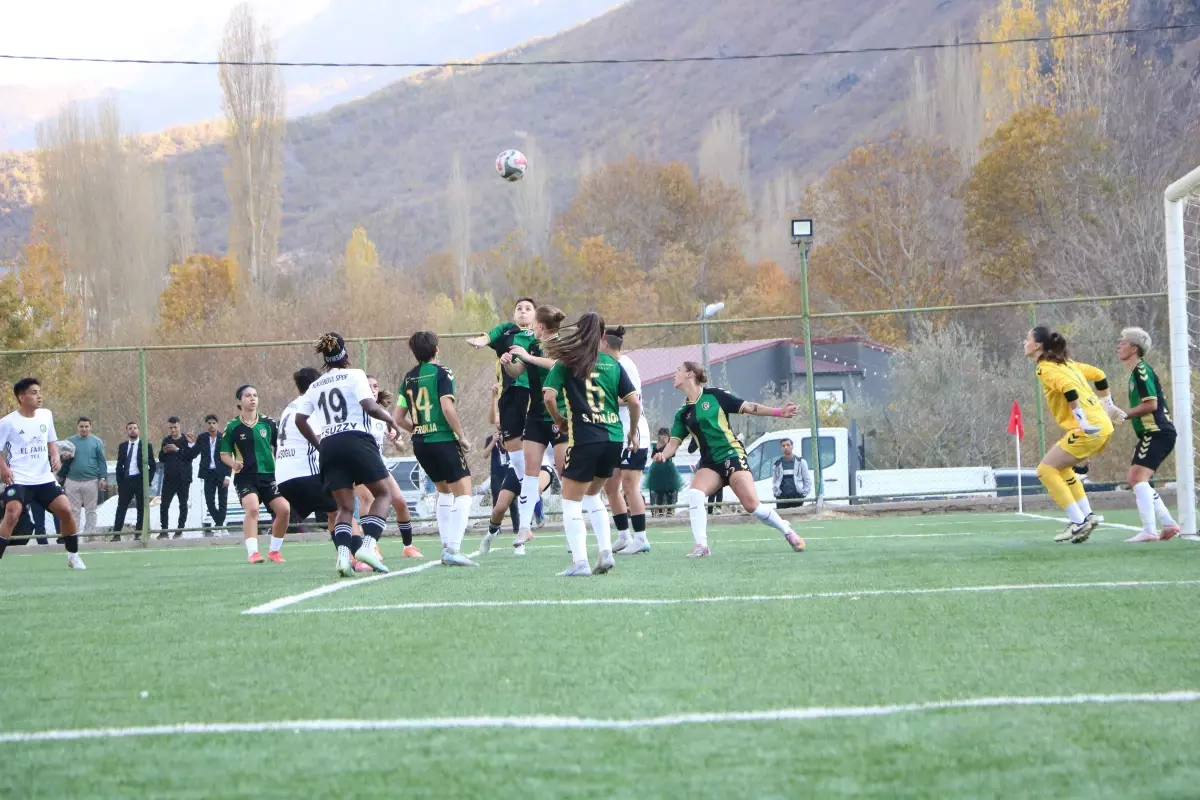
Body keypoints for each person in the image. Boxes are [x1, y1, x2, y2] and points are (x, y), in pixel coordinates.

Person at [653, 362, 806, 557]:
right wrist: (663, 454)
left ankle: (787, 531)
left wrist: (779, 412)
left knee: (752, 506)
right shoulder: (683, 414)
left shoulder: (715, 395)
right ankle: (702, 546)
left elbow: (749, 407)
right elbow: (673, 443)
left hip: (731, 454)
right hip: (710, 463)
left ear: (690, 374)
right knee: (695, 494)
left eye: (678, 371)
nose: (674, 374)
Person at [543, 311, 642, 577]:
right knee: (593, 495)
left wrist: (560, 420)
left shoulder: (565, 362)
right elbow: (634, 401)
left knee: (570, 501)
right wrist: (633, 432)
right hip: (613, 439)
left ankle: (580, 563)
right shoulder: (612, 364)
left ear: (579, 332)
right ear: (601, 336)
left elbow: (549, 397)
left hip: (585, 438)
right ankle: (606, 553)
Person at [295, 333, 399, 577]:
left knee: (344, 507)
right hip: (356, 440)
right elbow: (369, 406)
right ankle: (368, 546)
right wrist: (390, 419)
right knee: (383, 494)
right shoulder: (355, 375)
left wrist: (319, 444)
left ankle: (343, 557)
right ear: (346, 354)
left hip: (329, 444)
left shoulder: (315, 385)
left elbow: (301, 420)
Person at [1025, 326, 1117, 544]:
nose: (1024, 343)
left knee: (1045, 470)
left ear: (1037, 345)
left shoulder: (1044, 368)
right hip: (1103, 425)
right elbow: (1100, 375)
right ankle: (1087, 516)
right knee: (1063, 468)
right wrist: (1109, 405)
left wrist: (1081, 419)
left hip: (1088, 428)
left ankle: (1077, 522)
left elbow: (1068, 389)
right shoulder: (1068, 364)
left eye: (1026, 339)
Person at [492, 304, 567, 555]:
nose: (530, 327)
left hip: (560, 415)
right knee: (529, 473)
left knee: (565, 474)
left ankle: (571, 529)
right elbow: (518, 369)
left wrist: (527, 356)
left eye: (534, 324)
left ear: (541, 326)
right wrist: (507, 364)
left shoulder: (562, 345)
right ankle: (524, 527)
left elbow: (556, 365)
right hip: (535, 414)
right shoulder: (532, 346)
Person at [396, 331, 476, 567]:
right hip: (442, 440)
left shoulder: (408, 378)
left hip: (420, 443)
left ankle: (445, 545)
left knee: (444, 491)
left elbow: (398, 418)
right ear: (436, 350)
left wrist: (419, 430)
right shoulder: (442, 373)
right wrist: (461, 436)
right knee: (464, 492)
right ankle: (453, 548)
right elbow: (447, 407)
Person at [0, 377, 84, 569]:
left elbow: (51, 441)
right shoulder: (7, 422)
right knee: (12, 514)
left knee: (66, 510)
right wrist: (4, 468)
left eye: (40, 392)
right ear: (22, 397)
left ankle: (73, 556)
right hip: (19, 478)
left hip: (44, 478)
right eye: (34, 392)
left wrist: (54, 455)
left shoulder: (46, 415)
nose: (39, 396)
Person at [466, 298, 537, 516]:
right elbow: (491, 335)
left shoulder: (539, 337)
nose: (523, 312)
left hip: (536, 395)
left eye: (528, 309)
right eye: (519, 308)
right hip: (510, 394)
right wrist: (481, 341)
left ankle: (542, 494)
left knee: (541, 450)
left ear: (535, 315)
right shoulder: (508, 331)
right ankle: (530, 497)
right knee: (514, 450)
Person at [1115, 327, 1181, 543]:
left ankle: (1150, 530)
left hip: (1157, 432)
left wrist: (1122, 415)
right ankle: (1169, 524)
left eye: (1122, 342)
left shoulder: (1141, 371)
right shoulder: (1136, 372)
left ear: (1134, 348)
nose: (1119, 346)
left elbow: (1151, 404)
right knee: (1136, 478)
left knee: (1137, 478)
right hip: (1155, 433)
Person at [220, 385, 291, 564]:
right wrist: (233, 463)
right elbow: (224, 454)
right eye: (247, 396)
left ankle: (274, 551)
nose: (252, 399)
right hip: (246, 476)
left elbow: (281, 446)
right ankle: (253, 553)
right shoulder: (233, 427)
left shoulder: (268, 424)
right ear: (239, 402)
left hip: (269, 476)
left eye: (255, 395)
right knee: (252, 508)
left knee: (284, 510)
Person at [600, 326, 653, 555]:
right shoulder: (604, 365)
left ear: (604, 343)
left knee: (630, 485)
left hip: (634, 431)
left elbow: (632, 400)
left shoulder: (625, 365)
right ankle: (623, 535)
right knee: (610, 486)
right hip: (613, 433)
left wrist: (602, 399)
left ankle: (641, 538)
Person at [359, 374, 421, 558]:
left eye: (375, 386)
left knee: (400, 502)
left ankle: (408, 546)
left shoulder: (382, 415)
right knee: (367, 500)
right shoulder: (356, 412)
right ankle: (371, 546)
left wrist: (395, 440)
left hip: (378, 465)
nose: (372, 389)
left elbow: (402, 447)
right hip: (359, 464)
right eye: (368, 386)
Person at [61, 416, 107, 538]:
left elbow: (102, 461)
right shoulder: (70, 441)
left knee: (91, 510)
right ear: (77, 427)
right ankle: (73, 536)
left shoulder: (97, 442)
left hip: (91, 481)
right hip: (72, 480)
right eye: (81, 426)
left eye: (86, 426)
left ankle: (90, 535)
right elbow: (61, 457)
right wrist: (65, 457)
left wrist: (103, 477)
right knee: (74, 510)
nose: (84, 429)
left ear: (90, 427)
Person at [112, 421, 156, 542]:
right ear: (127, 431)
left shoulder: (146, 445)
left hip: (139, 480)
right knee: (121, 507)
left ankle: (138, 533)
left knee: (141, 508)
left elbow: (152, 465)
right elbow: (119, 464)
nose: (133, 430)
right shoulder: (123, 446)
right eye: (130, 428)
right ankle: (116, 534)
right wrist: (119, 482)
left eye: (135, 428)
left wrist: (148, 481)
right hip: (126, 480)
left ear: (138, 430)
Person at [192, 414, 231, 535]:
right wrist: (190, 444)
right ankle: (219, 523)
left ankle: (220, 525)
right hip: (208, 474)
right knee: (209, 501)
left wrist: (228, 476)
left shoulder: (224, 438)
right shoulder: (202, 438)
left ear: (217, 424)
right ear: (206, 425)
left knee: (222, 500)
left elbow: (228, 457)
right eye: (209, 423)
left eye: (214, 423)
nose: (211, 425)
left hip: (222, 473)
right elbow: (194, 453)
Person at [158, 416, 194, 539]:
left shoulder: (186, 440)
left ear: (179, 426)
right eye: (171, 428)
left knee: (183, 504)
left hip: (183, 479)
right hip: (169, 478)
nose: (173, 430)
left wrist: (177, 449)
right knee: (164, 505)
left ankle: (179, 531)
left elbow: (189, 456)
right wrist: (164, 451)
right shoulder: (166, 440)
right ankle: (164, 530)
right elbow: (161, 458)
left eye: (175, 427)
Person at [646, 428, 682, 516]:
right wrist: (658, 448)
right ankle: (660, 510)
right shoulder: (656, 446)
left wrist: (665, 445)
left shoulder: (670, 445)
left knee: (670, 490)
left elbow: (672, 454)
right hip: (658, 470)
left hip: (668, 469)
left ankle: (670, 509)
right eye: (660, 436)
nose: (662, 438)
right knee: (659, 491)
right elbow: (653, 456)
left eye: (664, 436)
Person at [772, 438, 812, 510]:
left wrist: (804, 493)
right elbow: (775, 480)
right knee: (783, 519)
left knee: (797, 518)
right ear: (781, 448)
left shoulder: (801, 462)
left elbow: (807, 480)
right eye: (783, 446)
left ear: (792, 446)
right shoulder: (777, 464)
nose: (786, 447)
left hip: (797, 497)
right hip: (782, 498)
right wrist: (776, 493)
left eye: (788, 445)